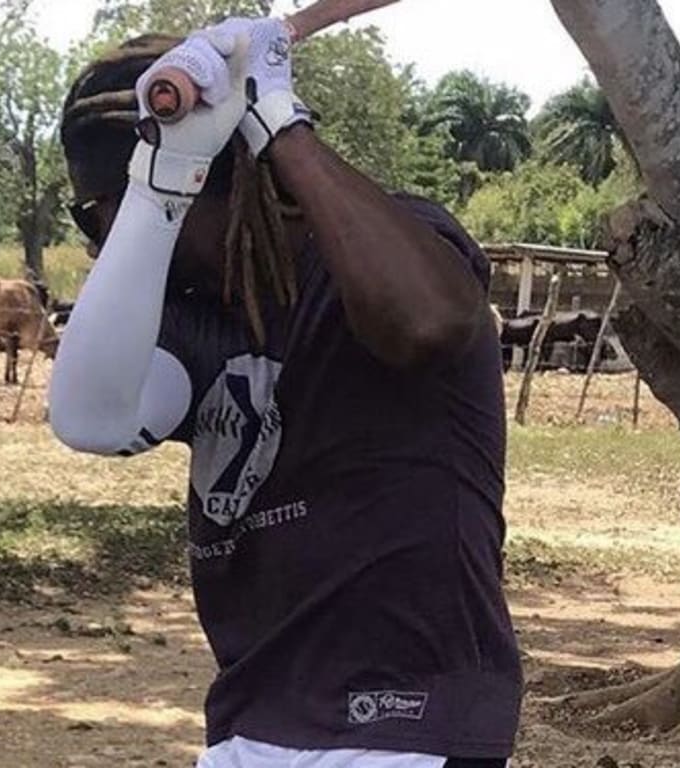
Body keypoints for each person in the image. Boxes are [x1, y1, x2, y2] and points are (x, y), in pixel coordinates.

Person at [48, 16, 522, 768]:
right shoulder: (196, 321)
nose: (102, 246)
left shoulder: (384, 254)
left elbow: (426, 324)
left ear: (226, 177)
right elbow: (91, 418)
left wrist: (279, 120)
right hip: (251, 723)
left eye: (94, 216)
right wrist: (160, 187)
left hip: (406, 728)